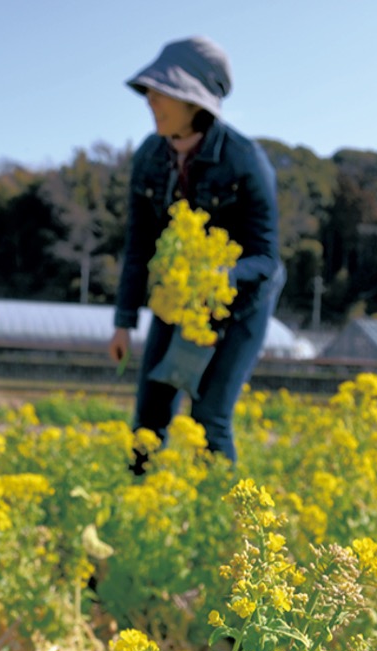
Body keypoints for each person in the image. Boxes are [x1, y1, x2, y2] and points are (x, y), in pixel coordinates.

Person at [108, 36, 285, 469]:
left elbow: (265, 258)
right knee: (149, 415)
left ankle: (225, 507)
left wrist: (218, 278)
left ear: (194, 102)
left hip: (240, 304)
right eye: (149, 91)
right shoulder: (149, 157)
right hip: (178, 298)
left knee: (210, 418)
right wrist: (123, 322)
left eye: (162, 92)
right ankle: (140, 499)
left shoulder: (244, 160)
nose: (150, 101)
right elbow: (139, 246)